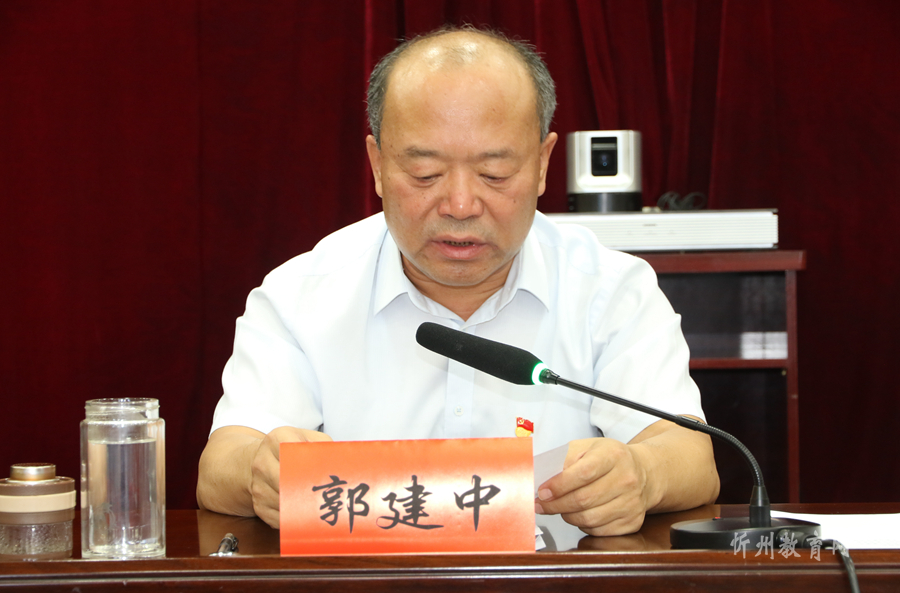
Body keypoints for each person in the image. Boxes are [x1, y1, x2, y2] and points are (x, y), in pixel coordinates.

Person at [197, 25, 719, 536]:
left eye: (494, 174)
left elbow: (691, 458)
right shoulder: (300, 295)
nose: (461, 205)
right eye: (425, 174)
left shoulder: (611, 290)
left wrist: (642, 475)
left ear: (542, 164)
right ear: (377, 165)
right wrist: (260, 472)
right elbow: (220, 469)